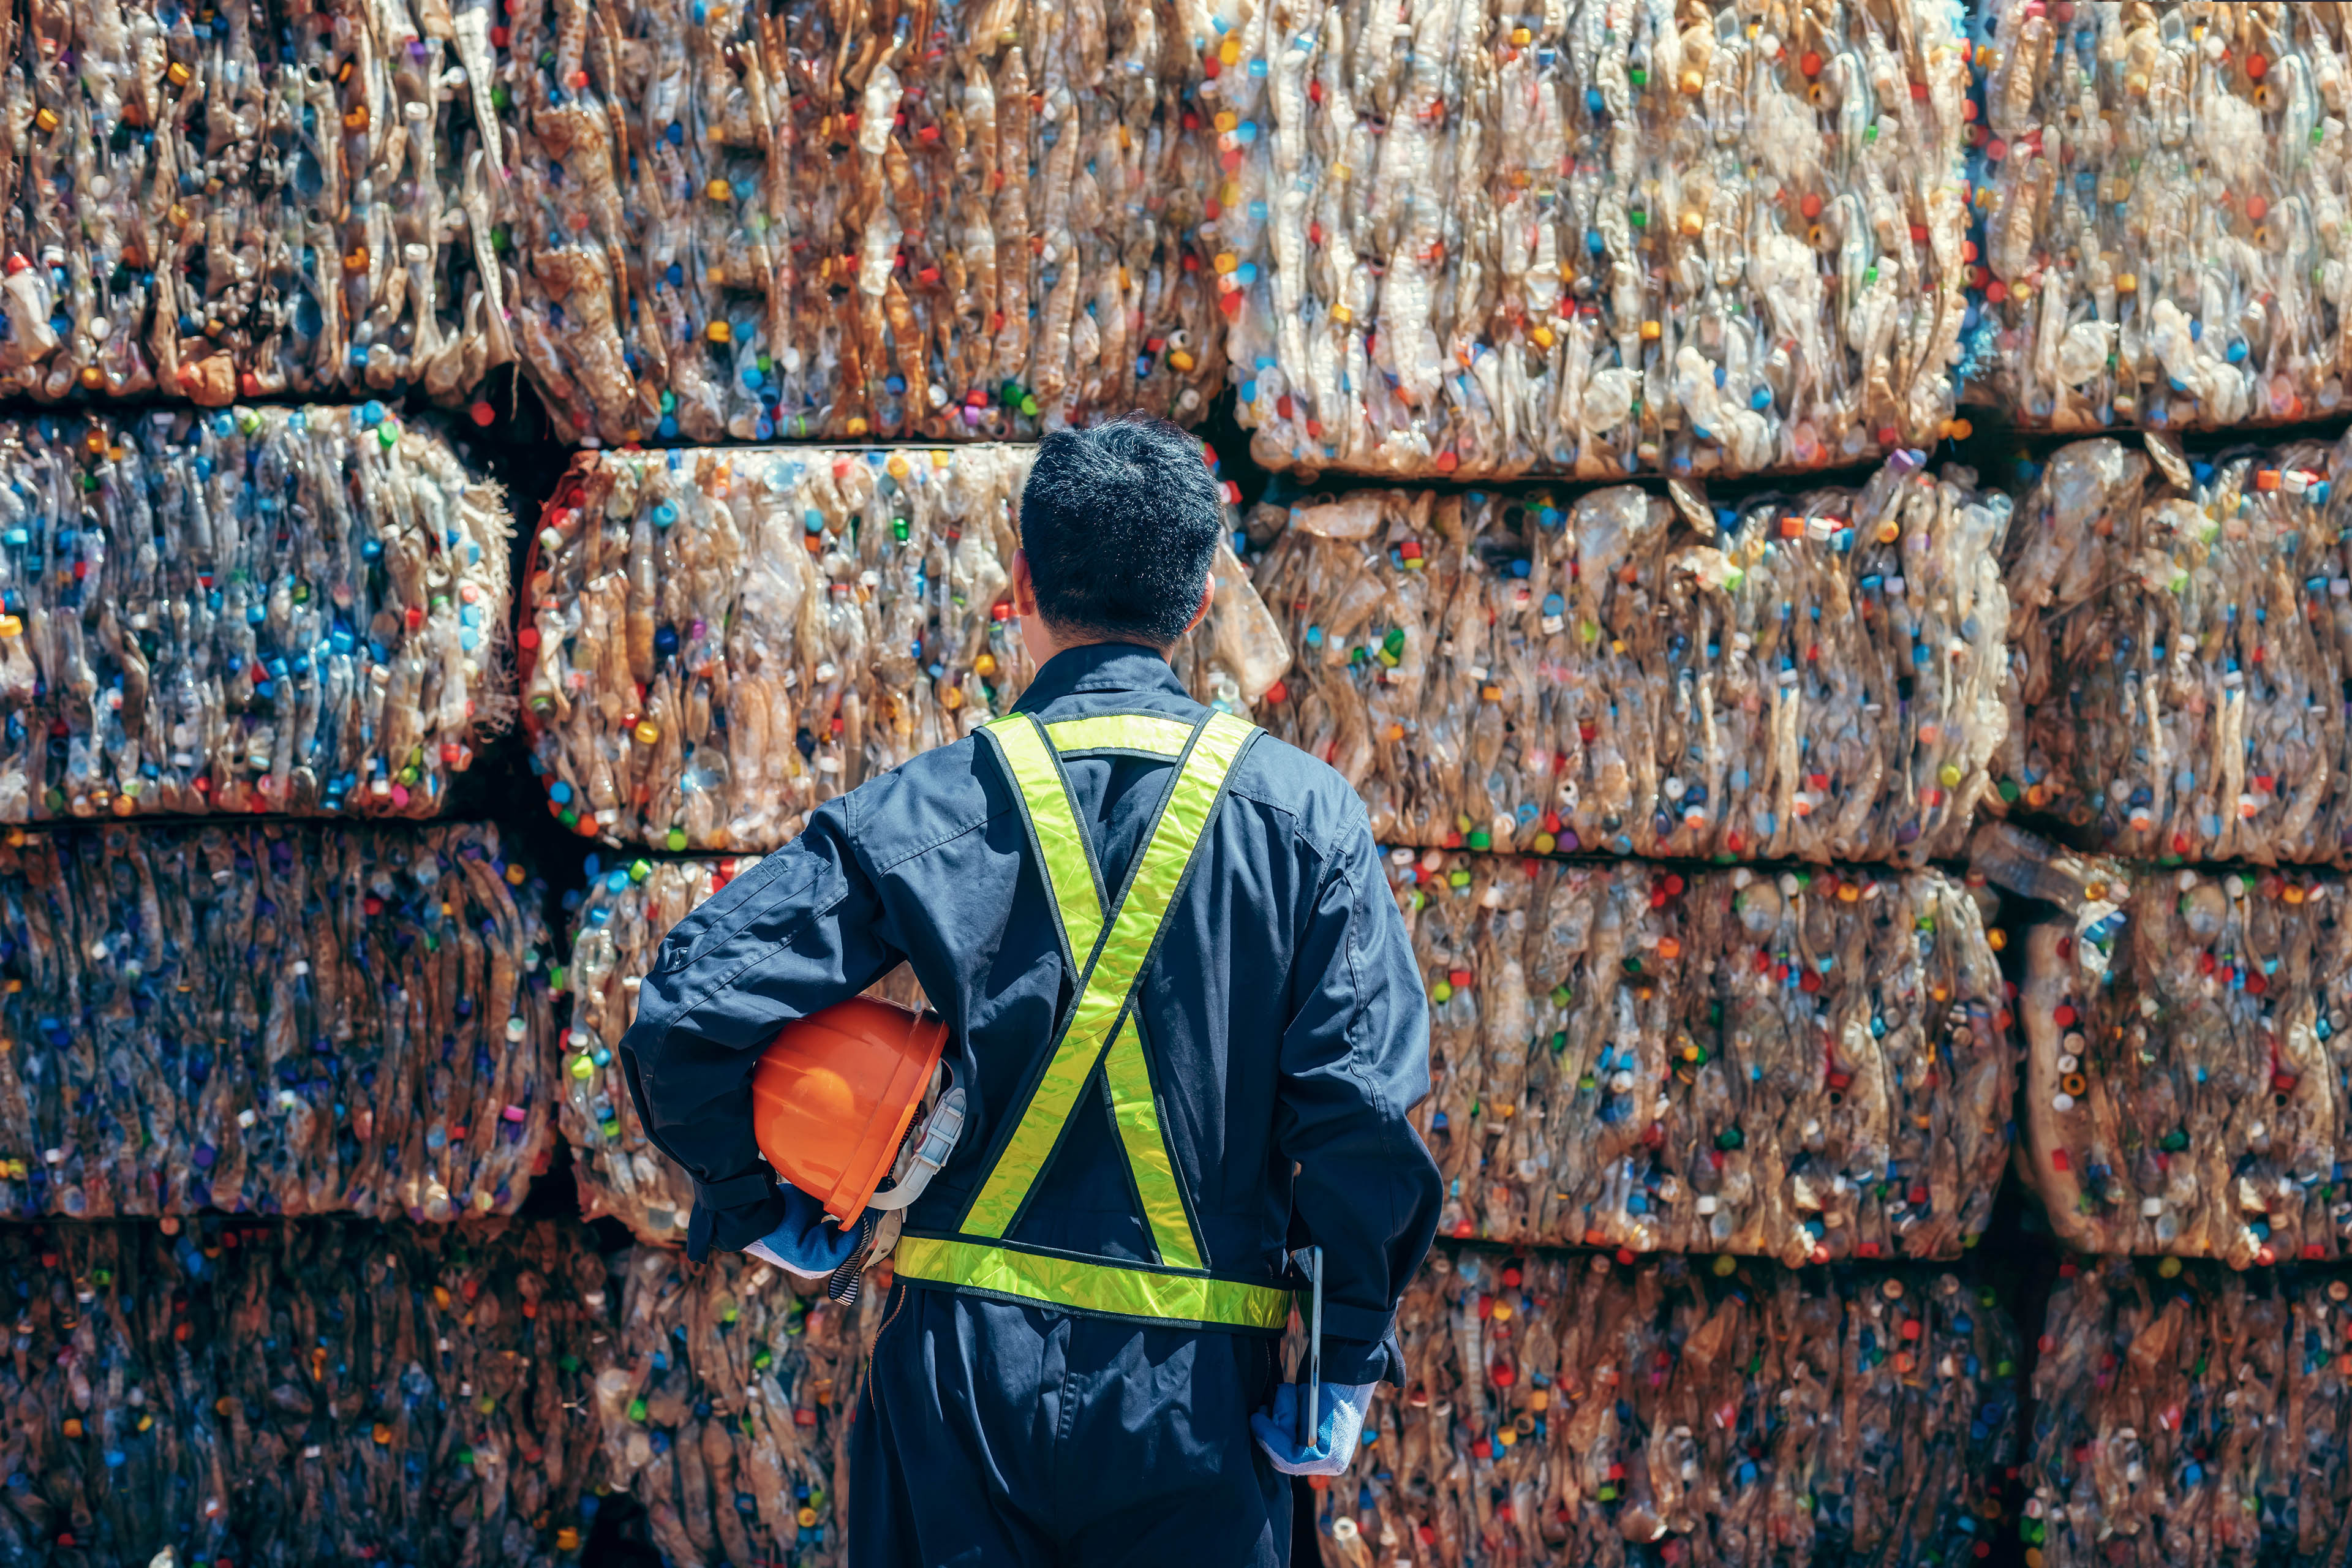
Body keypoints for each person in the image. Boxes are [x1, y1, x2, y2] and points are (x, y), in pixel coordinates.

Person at [620, 414, 1441, 1567]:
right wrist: (1345, 1352)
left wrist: (762, 1206)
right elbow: (1359, 1114)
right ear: (1203, 598)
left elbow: (688, 1012)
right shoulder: (1307, 822)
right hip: (1198, 1406)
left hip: (960, 1396)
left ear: (1019, 581)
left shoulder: (926, 807)